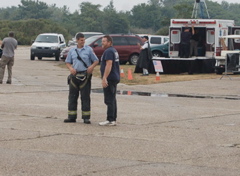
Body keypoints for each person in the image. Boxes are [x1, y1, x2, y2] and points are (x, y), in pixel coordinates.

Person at [64, 32, 99, 124]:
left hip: (85, 77)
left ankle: (86, 117)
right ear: (77, 40)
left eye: (84, 40)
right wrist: (71, 68)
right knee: (72, 97)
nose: (83, 42)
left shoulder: (88, 50)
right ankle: (71, 117)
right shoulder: (72, 51)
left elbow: (96, 61)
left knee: (85, 97)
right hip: (74, 76)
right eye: (81, 40)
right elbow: (67, 62)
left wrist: (91, 67)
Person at [99, 35, 120, 126]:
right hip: (113, 77)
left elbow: (109, 64)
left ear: (109, 42)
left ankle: (111, 119)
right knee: (112, 98)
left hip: (110, 78)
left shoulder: (109, 51)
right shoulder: (113, 50)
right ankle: (112, 118)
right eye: (102, 41)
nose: (102, 43)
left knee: (109, 99)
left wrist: (104, 78)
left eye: (104, 41)